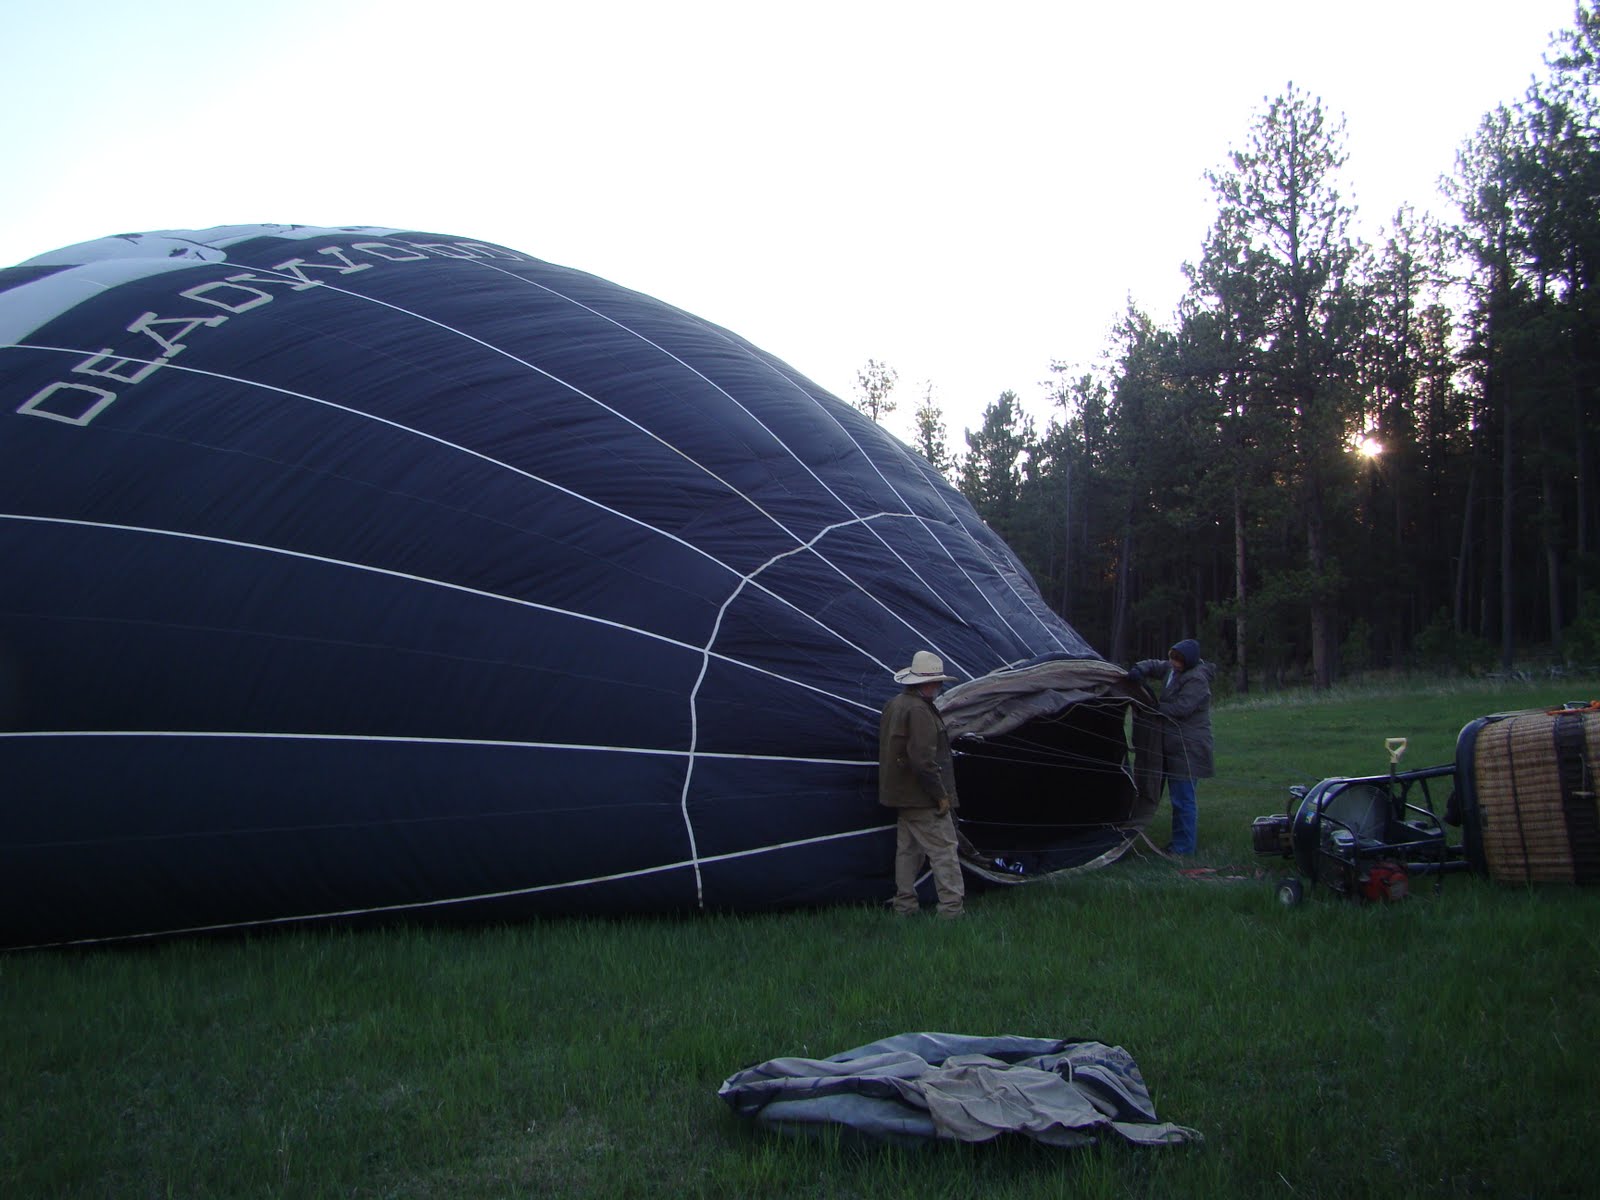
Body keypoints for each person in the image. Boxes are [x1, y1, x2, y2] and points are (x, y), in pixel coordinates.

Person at [878, 650, 965, 918]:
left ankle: (905, 905)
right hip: (922, 797)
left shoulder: (895, 704)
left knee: (908, 851)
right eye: (937, 682)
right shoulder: (919, 711)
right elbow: (923, 760)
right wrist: (940, 796)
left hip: (901, 795)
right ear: (926, 683)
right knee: (944, 850)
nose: (939, 687)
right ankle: (951, 909)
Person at [1128, 638, 1215, 855]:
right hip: (1172, 744)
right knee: (1177, 797)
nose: (1173, 663)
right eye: (1172, 657)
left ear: (1189, 662)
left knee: (1183, 798)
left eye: (1178, 660)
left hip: (1188, 747)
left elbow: (1181, 708)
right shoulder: (1173, 669)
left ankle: (1184, 848)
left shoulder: (1197, 679)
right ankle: (1178, 843)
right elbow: (1155, 665)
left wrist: (1151, 706)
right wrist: (1139, 670)